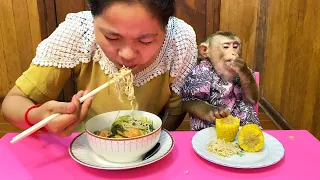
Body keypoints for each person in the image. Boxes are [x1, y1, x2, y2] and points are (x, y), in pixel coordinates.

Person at [1, 0, 197, 137]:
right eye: (112, 38)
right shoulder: (78, 33)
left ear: (166, 26)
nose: (127, 54)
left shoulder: (179, 40)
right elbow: (12, 103)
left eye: (145, 40)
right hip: (80, 145)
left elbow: (176, 108)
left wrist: (153, 140)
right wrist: (36, 116)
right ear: (93, 19)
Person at [180, 31, 261, 131]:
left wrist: (245, 73)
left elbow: (252, 99)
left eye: (235, 47)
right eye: (226, 47)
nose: (233, 52)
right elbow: (188, 102)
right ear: (205, 50)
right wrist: (210, 111)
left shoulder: (243, 70)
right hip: (210, 125)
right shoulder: (202, 71)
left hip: (243, 125)